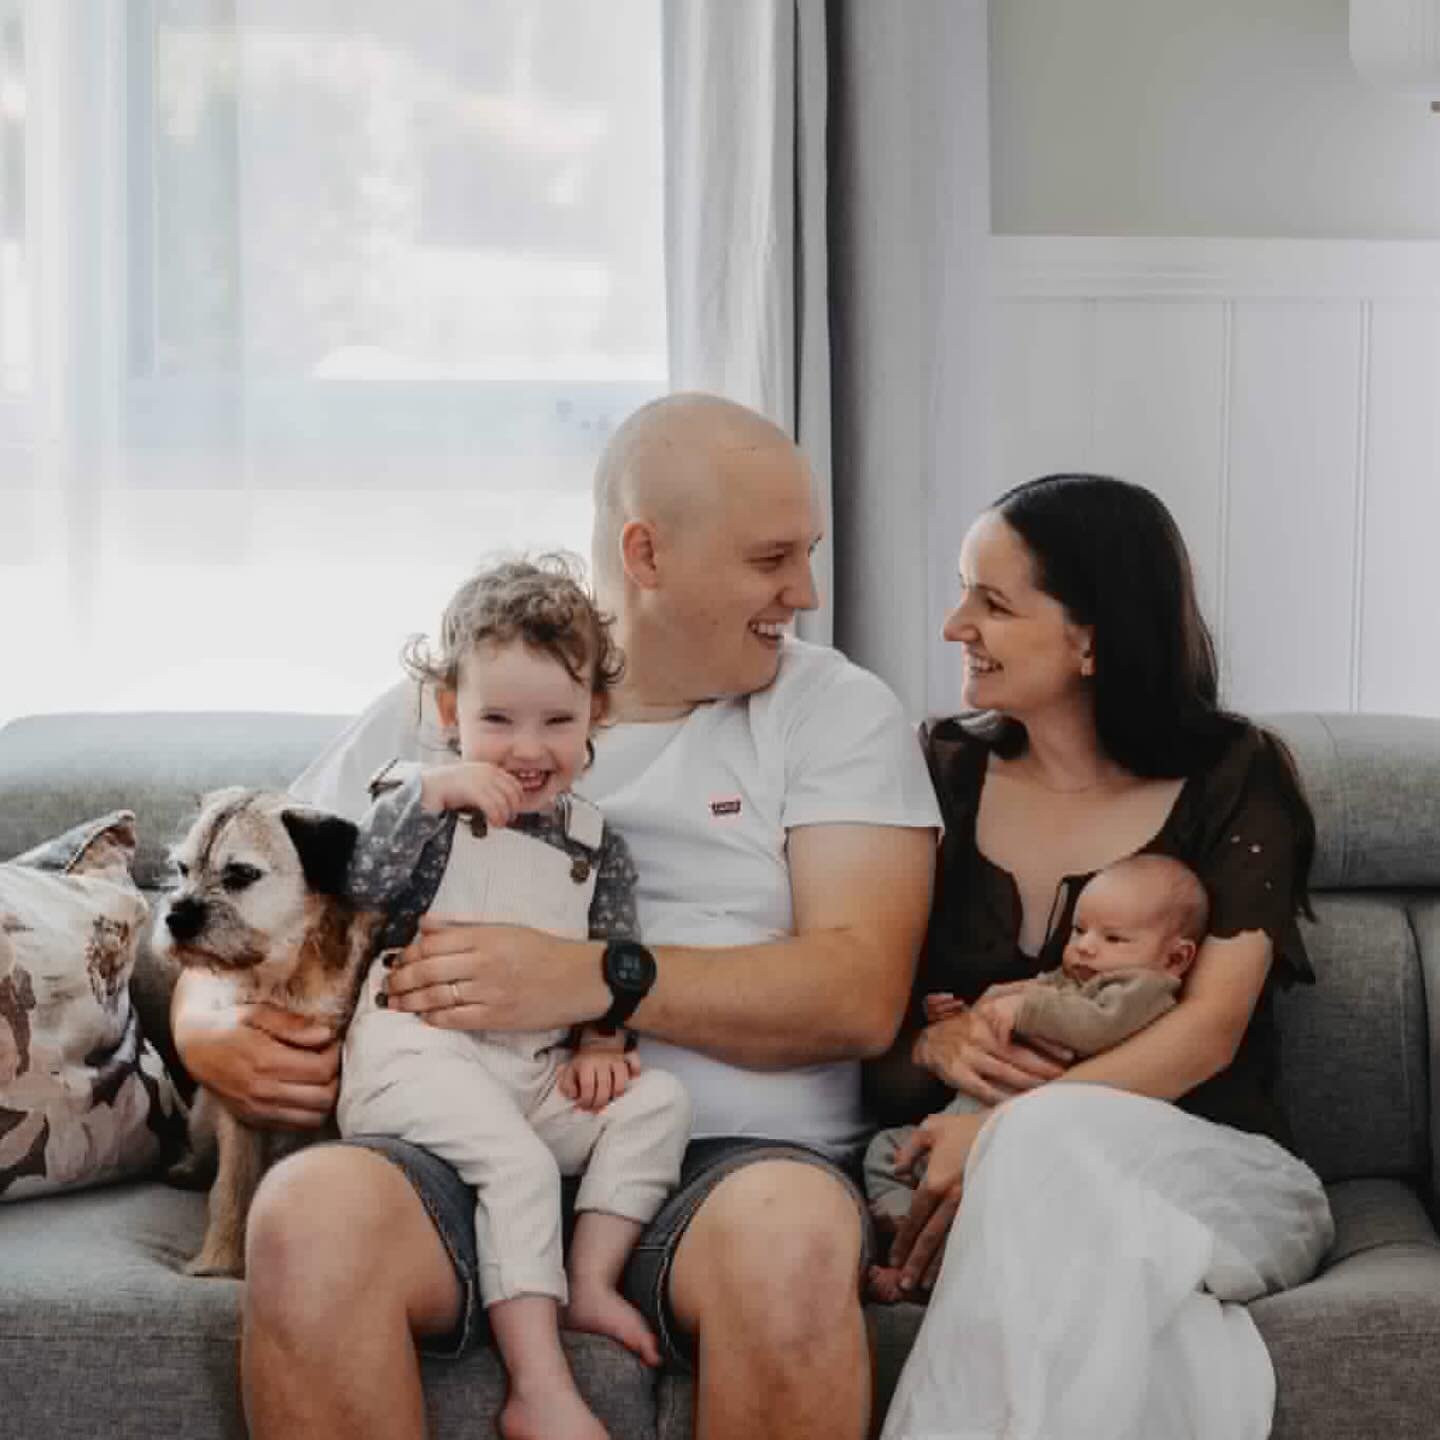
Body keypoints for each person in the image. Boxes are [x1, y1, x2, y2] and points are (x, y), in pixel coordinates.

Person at [169, 392, 941, 1440]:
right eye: (771, 560)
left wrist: (592, 977)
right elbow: (257, 886)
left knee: (795, 1240)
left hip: (732, 1156)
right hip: (443, 1132)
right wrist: (204, 1027)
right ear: (646, 552)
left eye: (806, 554)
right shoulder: (461, 702)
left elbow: (858, 994)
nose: (803, 592)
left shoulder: (833, 710)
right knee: (306, 1221)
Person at [868, 473, 1334, 1440]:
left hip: (1215, 1175)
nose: (956, 625)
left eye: (992, 603)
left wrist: (1000, 1135)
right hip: (985, 1182)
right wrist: (931, 1048)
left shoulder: (1236, 779)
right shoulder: (939, 774)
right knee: (1106, 1284)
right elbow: (869, 1012)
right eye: (964, 592)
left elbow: (1206, 1035)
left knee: (1037, 1148)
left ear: (1091, 637)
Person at [335, 557, 692, 1439]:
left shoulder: (596, 841)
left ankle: (594, 1281)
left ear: (594, 717)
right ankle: (540, 1386)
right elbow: (361, 885)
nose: (528, 750)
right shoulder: (417, 799)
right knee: (522, 1169)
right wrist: (431, 794)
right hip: (417, 1056)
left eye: (557, 722)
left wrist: (603, 1043)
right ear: (450, 712)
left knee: (662, 1102)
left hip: (529, 1073)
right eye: (497, 720)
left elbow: (613, 952)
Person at [863, 852, 1207, 1297]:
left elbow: (1095, 1024)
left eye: (1114, 938)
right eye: (1079, 930)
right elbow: (1005, 1012)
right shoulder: (1071, 977)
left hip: (1030, 1146)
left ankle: (922, 1273)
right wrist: (963, 1016)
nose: (1085, 946)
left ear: (1176, 958)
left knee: (980, 1208)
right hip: (964, 1122)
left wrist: (1026, 1007)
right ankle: (905, 1228)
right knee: (884, 1151)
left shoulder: (1142, 990)